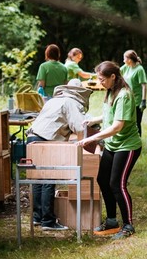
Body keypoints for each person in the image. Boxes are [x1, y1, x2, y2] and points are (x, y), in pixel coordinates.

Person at [80, 61, 142, 240]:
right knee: (102, 179)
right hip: (112, 145)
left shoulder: (124, 95)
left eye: (102, 79)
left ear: (113, 77)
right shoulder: (110, 90)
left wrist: (93, 138)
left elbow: (117, 126)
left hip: (127, 146)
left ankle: (128, 225)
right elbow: (111, 114)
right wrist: (94, 120)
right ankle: (112, 221)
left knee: (117, 184)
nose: (100, 82)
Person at [26, 79, 93, 231]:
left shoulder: (53, 100)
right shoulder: (71, 102)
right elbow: (79, 127)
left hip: (32, 138)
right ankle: (48, 221)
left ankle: (37, 217)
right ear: (79, 93)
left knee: (37, 179)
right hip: (47, 140)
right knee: (48, 179)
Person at [121, 49, 147, 137]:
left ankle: (138, 140)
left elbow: (144, 86)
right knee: (128, 122)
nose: (123, 60)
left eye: (124, 58)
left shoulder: (139, 69)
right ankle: (129, 139)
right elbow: (117, 72)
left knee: (137, 123)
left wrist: (143, 101)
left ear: (129, 60)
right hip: (128, 100)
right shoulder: (127, 67)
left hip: (137, 101)